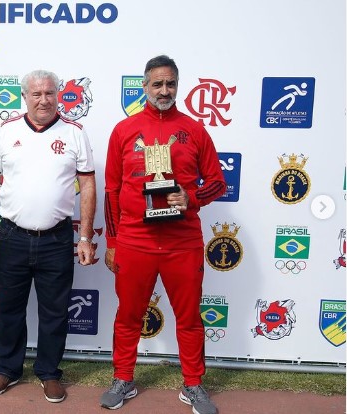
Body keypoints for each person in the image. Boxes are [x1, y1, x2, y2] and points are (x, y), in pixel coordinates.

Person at [100, 55, 226, 414]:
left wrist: (191, 197)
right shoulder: (124, 131)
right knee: (128, 315)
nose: (164, 90)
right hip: (135, 241)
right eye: (157, 84)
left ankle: (193, 385)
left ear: (177, 86)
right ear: (144, 86)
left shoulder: (195, 130)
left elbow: (216, 182)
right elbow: (111, 192)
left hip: (182, 241)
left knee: (188, 318)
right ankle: (123, 378)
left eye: (170, 83)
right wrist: (112, 243)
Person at [0, 69, 97, 404]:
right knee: (10, 309)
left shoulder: (74, 132)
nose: (43, 99)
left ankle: (48, 373)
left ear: (58, 94)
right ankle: (8, 368)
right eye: (36, 94)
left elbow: (87, 184)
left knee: (55, 311)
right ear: (24, 96)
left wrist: (86, 236)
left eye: (49, 93)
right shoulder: (7, 130)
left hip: (57, 239)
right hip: (13, 237)